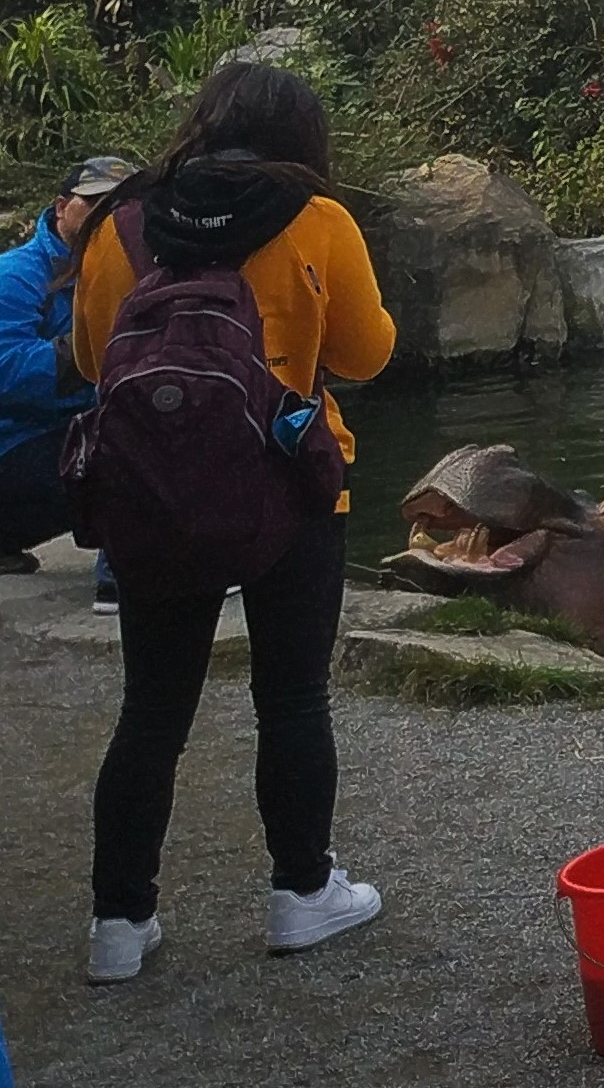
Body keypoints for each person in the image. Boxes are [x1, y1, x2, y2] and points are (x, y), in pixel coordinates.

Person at [64, 63, 397, 984]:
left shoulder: (120, 220)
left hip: (153, 496)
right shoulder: (316, 218)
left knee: (151, 711)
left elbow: (95, 360)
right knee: (291, 699)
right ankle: (301, 895)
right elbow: (366, 353)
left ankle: (119, 925)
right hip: (292, 489)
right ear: (302, 135)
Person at [0, 156, 136, 575]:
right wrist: (97, 341)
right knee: (129, 438)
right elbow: (8, 373)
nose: (108, 218)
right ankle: (122, 577)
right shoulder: (15, 275)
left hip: (61, 445)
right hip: (15, 448)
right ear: (62, 207)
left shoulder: (131, 270)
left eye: (121, 207)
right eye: (96, 203)